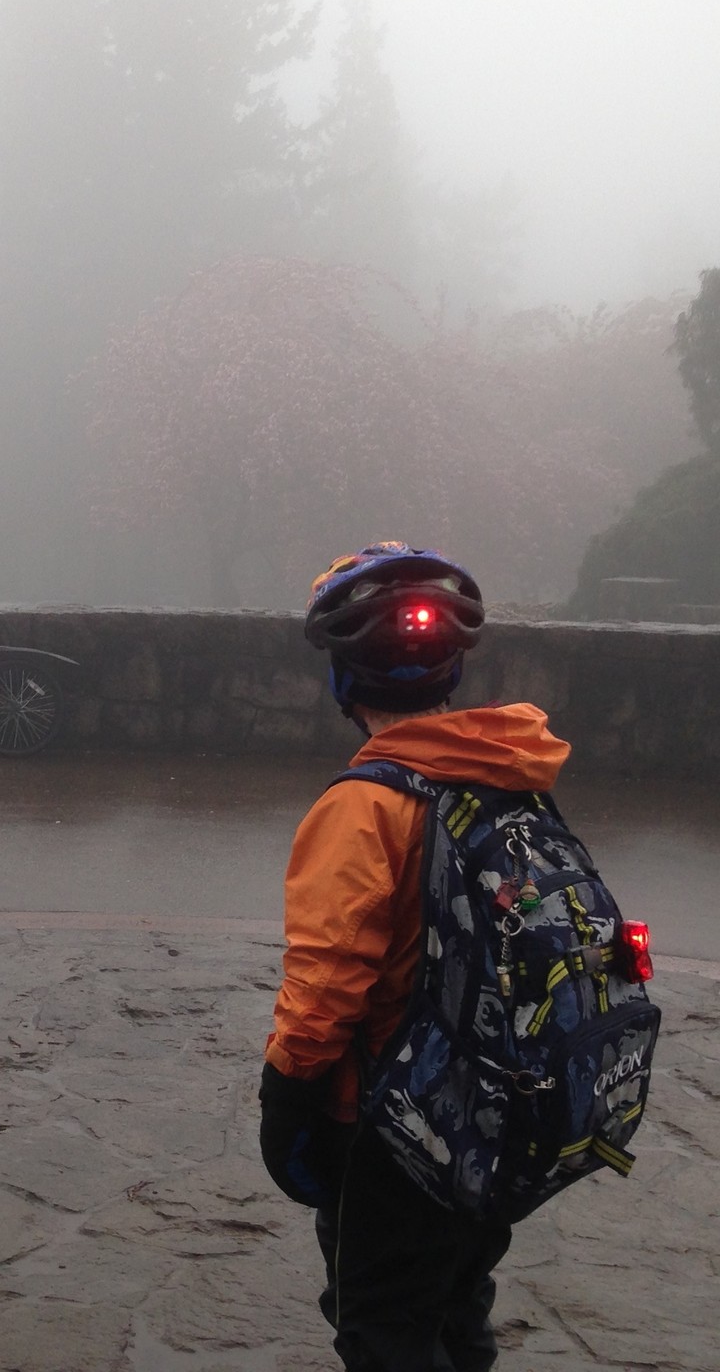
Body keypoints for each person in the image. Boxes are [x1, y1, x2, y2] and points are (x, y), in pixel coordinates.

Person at [258, 542, 571, 1371]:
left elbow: (327, 984)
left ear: (344, 680)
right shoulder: (510, 773)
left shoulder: (363, 806)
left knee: (384, 1326)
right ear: (451, 674)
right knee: (457, 1308)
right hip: (499, 1109)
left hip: (397, 1123)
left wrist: (285, 1098)